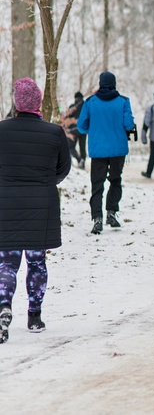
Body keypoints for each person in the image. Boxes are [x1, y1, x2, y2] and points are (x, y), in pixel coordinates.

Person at [0, 78, 72, 344]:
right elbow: (63, 169)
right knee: (36, 261)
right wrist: (44, 182)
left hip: (5, 205)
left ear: (16, 103)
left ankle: (3, 306)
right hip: (41, 205)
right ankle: (35, 315)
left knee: (7, 262)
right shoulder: (54, 133)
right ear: (39, 102)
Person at [77, 72, 135, 235]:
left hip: (98, 150)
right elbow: (129, 124)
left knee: (97, 184)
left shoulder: (90, 102)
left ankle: (97, 218)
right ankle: (111, 212)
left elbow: (81, 126)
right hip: (118, 150)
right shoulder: (123, 101)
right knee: (115, 180)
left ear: (100, 83)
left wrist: (94, 129)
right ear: (114, 83)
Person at [65, 91, 87, 169]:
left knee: (71, 146)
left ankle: (78, 159)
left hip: (73, 130)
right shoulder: (86, 106)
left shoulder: (73, 107)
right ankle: (83, 162)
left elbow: (67, 118)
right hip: (83, 129)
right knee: (82, 147)